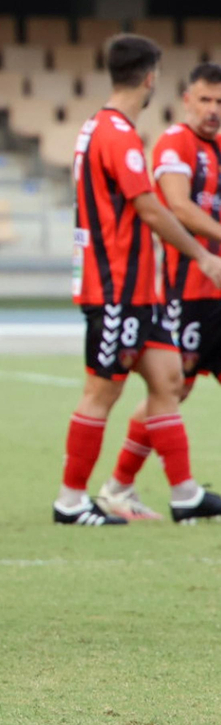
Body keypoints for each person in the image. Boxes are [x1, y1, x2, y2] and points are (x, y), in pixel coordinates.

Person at [54, 36, 221, 527]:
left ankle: (185, 494)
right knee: (101, 392)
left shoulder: (99, 128)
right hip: (116, 287)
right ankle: (70, 502)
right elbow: (150, 208)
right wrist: (201, 255)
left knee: (168, 380)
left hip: (140, 290)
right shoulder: (116, 133)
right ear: (151, 78)